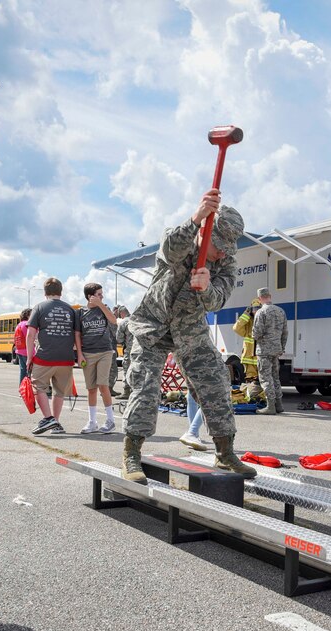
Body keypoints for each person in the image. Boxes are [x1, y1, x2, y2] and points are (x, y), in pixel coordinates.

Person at [122, 189, 256, 481]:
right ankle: (132, 454)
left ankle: (224, 453)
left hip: (190, 330)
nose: (221, 252)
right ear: (206, 230)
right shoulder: (180, 239)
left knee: (216, 381)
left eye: (226, 248)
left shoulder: (226, 263)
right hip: (152, 326)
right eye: (218, 245)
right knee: (144, 386)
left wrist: (207, 286)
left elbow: (217, 300)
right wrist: (197, 217)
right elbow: (170, 250)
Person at [26, 277, 80, 435]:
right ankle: (55, 424)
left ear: (45, 292)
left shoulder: (39, 307)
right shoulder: (70, 310)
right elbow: (77, 334)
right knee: (59, 391)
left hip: (45, 357)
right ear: (60, 292)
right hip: (66, 358)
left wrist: (30, 357)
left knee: (39, 387)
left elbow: (30, 335)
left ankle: (48, 418)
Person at [78, 282, 118, 434]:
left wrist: (101, 304)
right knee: (91, 389)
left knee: (103, 385)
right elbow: (78, 334)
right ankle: (92, 422)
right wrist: (79, 353)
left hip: (104, 352)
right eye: (99, 294)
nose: (102, 296)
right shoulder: (81, 313)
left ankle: (110, 420)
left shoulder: (104, 308)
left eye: (102, 294)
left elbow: (113, 321)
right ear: (90, 296)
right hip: (88, 353)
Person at [252, 287, 288, 415]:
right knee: (275, 377)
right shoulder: (281, 311)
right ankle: (279, 404)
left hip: (264, 350)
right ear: (270, 296)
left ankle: (270, 406)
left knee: (266, 378)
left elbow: (256, 333)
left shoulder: (261, 313)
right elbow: (285, 333)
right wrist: (282, 347)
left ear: (259, 298)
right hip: (276, 350)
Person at [232, 297, 262, 383]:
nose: (256, 311)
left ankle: (261, 395)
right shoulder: (247, 321)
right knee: (251, 380)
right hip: (249, 356)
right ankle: (252, 395)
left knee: (263, 380)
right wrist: (246, 314)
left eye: (258, 309)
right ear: (250, 310)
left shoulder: (264, 320)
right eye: (254, 309)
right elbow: (236, 328)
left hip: (261, 356)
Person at [114, 305, 133, 399]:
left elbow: (119, 339)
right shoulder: (137, 319)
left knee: (127, 370)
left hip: (129, 351)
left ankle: (126, 391)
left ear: (122, 313)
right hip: (141, 351)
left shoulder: (124, 322)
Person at [14, 307, 31, 382]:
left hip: (19, 350)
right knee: (29, 372)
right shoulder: (27, 324)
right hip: (27, 351)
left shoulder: (19, 324)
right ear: (28, 315)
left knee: (23, 371)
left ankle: (22, 390)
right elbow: (29, 337)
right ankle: (28, 390)